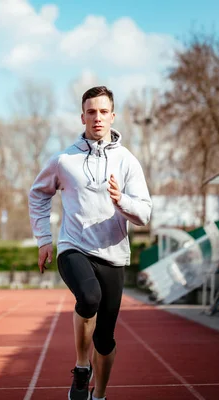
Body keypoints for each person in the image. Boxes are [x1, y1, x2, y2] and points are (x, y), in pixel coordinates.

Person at [28, 86, 152, 400]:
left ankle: (99, 395)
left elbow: (145, 214)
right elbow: (38, 194)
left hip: (112, 255)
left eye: (103, 111)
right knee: (88, 297)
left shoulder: (127, 162)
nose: (97, 118)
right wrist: (44, 239)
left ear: (113, 116)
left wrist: (120, 200)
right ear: (82, 116)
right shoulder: (63, 160)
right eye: (91, 112)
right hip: (74, 247)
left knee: (106, 338)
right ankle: (82, 369)